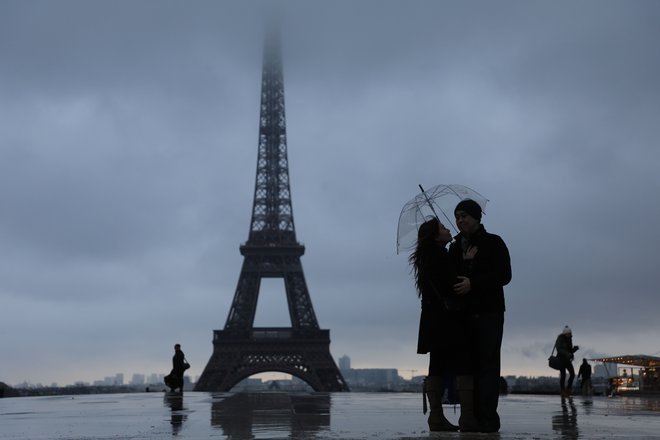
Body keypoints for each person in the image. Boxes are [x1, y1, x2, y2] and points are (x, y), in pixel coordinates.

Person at [409, 217, 479, 432]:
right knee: (463, 363)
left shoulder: (427, 257)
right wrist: (467, 263)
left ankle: (436, 417)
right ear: (435, 236)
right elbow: (455, 286)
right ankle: (467, 418)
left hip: (432, 319)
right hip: (449, 319)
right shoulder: (440, 257)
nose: (448, 228)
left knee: (437, 365)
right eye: (443, 228)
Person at [448, 199, 511, 433]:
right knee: (470, 367)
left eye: (464, 215)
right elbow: (451, 280)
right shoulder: (455, 249)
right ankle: (473, 418)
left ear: (476, 217)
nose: (460, 220)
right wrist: (465, 265)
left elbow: (505, 275)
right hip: (464, 315)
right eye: (457, 216)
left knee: (488, 366)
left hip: (488, 312)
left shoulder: (494, 243)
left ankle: (488, 419)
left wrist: (473, 283)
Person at [555, 326, 579, 397]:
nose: (570, 334)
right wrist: (567, 353)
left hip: (567, 360)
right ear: (565, 333)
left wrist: (574, 349)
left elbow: (570, 350)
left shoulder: (569, 339)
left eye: (570, 333)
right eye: (569, 333)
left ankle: (568, 389)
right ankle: (563, 391)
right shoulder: (560, 339)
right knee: (563, 375)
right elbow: (559, 349)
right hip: (561, 359)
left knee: (572, 374)